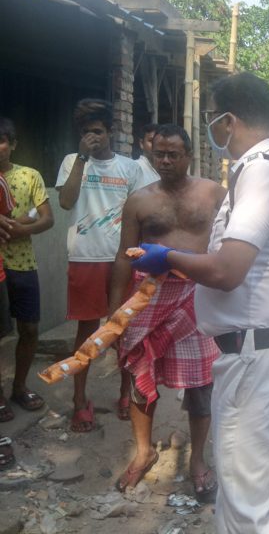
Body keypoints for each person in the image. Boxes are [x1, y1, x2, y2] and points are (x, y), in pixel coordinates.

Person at [131, 72, 269, 533]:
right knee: (251, 491)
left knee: (247, 505)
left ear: (229, 120)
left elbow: (227, 271)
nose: (213, 132)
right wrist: (183, 264)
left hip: (258, 355)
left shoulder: (261, 171)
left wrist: (168, 257)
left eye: (214, 121)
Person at [109, 124, 225, 499]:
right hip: (149, 295)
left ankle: (197, 460)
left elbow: (231, 246)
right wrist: (115, 315)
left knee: (202, 382)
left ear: (188, 156)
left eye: (174, 153)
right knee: (141, 372)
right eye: (160, 153)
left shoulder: (214, 193)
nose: (166, 160)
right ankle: (143, 453)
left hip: (197, 295)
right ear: (151, 154)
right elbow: (124, 258)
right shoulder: (139, 201)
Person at [56, 99, 148, 432]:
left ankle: (125, 393)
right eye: (85, 133)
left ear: (111, 131)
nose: (92, 137)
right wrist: (81, 156)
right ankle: (79, 401)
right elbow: (66, 201)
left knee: (124, 330)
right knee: (86, 331)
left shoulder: (130, 168)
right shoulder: (72, 161)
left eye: (97, 131)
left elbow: (139, 216)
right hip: (85, 257)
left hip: (122, 260)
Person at [0, 117, 54, 418]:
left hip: (22, 263)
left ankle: (19, 387)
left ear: (13, 144)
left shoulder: (29, 176)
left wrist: (21, 229)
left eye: (2, 141)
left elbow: (47, 219)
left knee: (30, 328)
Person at [117, 122, 161, 421]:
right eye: (155, 146)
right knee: (126, 335)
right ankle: (126, 393)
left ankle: (132, 392)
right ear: (142, 143)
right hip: (132, 261)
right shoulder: (134, 171)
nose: (165, 157)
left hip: (158, 271)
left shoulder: (161, 175)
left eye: (173, 153)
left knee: (142, 340)